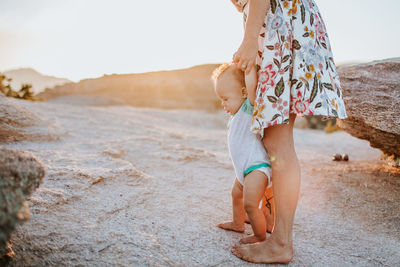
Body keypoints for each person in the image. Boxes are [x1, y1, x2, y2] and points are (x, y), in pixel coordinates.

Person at [229, 0, 348, 263]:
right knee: (276, 136)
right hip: (286, 23)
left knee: (277, 139)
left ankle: (281, 242)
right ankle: (274, 226)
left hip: (280, 26)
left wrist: (249, 39)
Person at [212, 63, 274, 244]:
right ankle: (238, 223)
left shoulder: (248, 109)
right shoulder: (236, 115)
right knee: (236, 195)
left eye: (225, 99)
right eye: (220, 100)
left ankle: (259, 235)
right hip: (244, 170)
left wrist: (248, 70)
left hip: (257, 167)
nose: (223, 104)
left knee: (250, 203)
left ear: (244, 93)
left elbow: (251, 86)